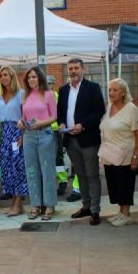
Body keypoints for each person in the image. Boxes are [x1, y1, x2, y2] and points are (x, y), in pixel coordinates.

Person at [58, 58, 106, 225]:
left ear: (83, 69)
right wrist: (62, 123)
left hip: (88, 139)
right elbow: (60, 113)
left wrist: (83, 125)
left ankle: (95, 210)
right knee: (81, 175)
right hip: (71, 140)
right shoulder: (63, 90)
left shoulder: (93, 88)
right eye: (70, 68)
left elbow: (100, 109)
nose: (73, 71)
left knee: (92, 175)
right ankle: (86, 206)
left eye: (76, 68)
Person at [100, 78, 138, 227]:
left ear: (123, 92)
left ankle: (126, 214)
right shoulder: (109, 106)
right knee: (115, 184)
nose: (111, 93)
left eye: (115, 90)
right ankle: (120, 211)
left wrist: (136, 155)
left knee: (125, 184)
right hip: (110, 154)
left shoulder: (131, 109)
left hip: (125, 155)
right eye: (110, 90)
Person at [20, 66, 58, 220]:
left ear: (40, 78)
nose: (31, 80)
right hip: (28, 136)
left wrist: (41, 122)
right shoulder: (25, 96)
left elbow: (54, 116)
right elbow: (24, 117)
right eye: (29, 78)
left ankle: (49, 206)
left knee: (47, 171)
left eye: (34, 77)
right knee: (31, 171)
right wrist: (21, 123)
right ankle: (35, 205)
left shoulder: (48, 95)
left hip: (45, 135)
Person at [0, 66, 28, 216]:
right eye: (1, 75)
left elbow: (26, 116)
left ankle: (18, 203)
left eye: (6, 75)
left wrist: (22, 136)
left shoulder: (21, 94)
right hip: (4, 134)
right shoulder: (0, 96)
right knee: (7, 168)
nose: (3, 78)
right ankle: (14, 203)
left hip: (17, 133)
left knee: (18, 168)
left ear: (12, 76)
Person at [48, 75, 69, 196]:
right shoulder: (41, 97)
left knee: (58, 157)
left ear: (53, 85)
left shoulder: (57, 96)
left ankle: (63, 181)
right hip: (45, 131)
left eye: (50, 83)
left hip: (56, 131)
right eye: (46, 83)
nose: (48, 86)